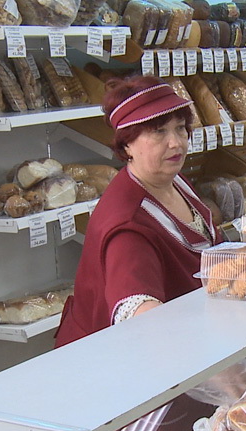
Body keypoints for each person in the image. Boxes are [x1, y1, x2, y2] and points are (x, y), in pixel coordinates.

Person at [56, 76, 223, 347]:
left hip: (190, 339)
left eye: (180, 128)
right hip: (112, 365)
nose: (176, 143)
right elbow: (141, 315)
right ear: (126, 144)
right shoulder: (127, 222)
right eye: (159, 131)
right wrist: (220, 376)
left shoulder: (175, 182)